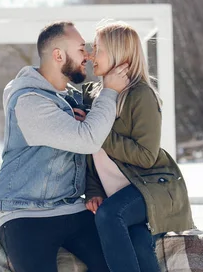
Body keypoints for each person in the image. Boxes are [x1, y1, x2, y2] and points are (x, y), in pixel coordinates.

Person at [0, 21, 128, 272]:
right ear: (58, 55)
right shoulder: (28, 102)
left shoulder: (69, 99)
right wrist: (109, 92)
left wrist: (93, 189)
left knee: (116, 263)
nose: (87, 55)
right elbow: (87, 140)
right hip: (24, 213)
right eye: (80, 49)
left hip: (71, 207)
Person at [82, 22, 195, 272]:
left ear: (118, 53)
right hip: (120, 195)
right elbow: (91, 157)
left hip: (151, 189)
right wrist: (92, 191)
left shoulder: (140, 95)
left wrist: (98, 132)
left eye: (97, 49)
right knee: (138, 241)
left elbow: (145, 156)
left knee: (109, 215)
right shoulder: (94, 96)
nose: (90, 55)